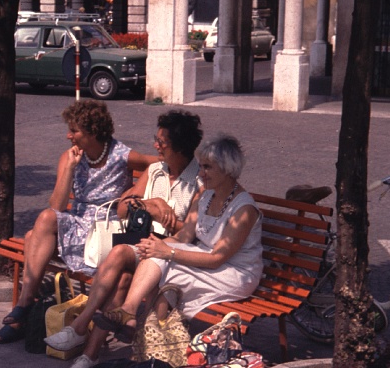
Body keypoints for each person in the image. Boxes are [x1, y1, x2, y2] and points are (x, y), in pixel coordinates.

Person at [44, 110, 204, 368]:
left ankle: (82, 333)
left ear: (179, 147)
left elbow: (193, 235)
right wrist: (151, 204)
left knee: (121, 268)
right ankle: (87, 354)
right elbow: (121, 208)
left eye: (161, 142)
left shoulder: (200, 182)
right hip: (143, 247)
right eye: (156, 140)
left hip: (172, 254)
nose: (155, 146)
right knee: (122, 276)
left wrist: (163, 217)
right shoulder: (155, 171)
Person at [0, 100, 156, 343]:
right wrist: (69, 169)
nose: (69, 136)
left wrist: (135, 191)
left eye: (75, 130)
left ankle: (20, 317)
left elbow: (160, 164)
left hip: (103, 235)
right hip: (77, 226)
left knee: (30, 239)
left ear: (92, 132)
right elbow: (56, 207)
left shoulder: (122, 155)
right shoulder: (69, 158)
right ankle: (25, 304)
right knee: (44, 220)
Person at [92, 134, 264, 348]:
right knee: (157, 258)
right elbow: (184, 236)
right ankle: (137, 322)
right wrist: (157, 245)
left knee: (167, 270)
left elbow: (218, 258)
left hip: (234, 272)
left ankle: (145, 336)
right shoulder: (205, 193)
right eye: (201, 167)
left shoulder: (244, 210)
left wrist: (168, 252)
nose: (202, 173)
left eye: (208, 167)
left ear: (227, 169)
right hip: (204, 257)